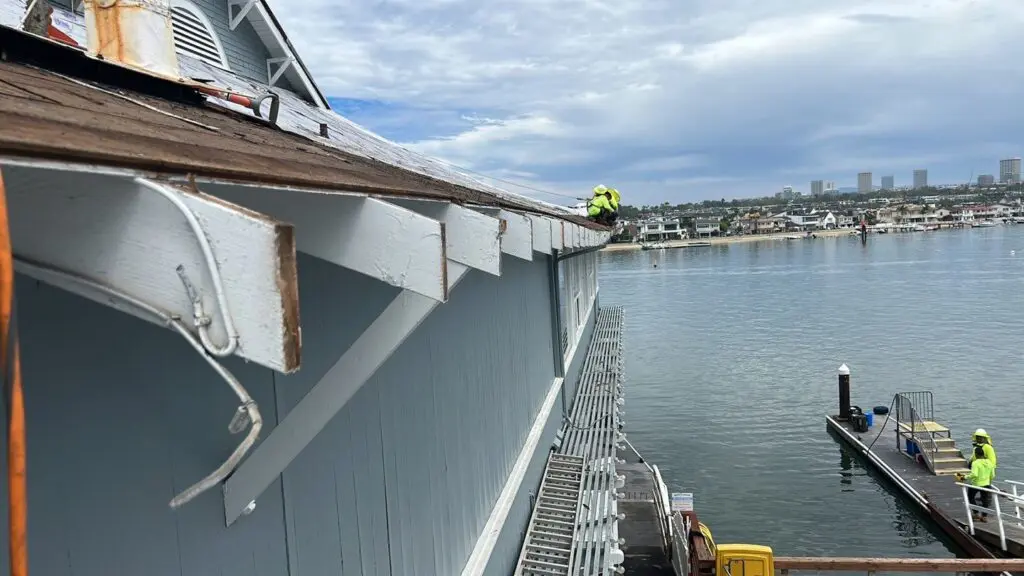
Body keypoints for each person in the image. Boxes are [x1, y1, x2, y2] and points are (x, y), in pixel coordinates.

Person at [958, 446, 995, 522]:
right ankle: (984, 516)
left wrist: (964, 477)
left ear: (976, 454)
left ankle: (976, 513)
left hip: (976, 484)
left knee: (970, 497)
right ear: (983, 454)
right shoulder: (989, 462)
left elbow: (974, 474)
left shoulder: (975, 463)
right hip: (986, 484)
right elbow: (993, 475)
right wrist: (987, 481)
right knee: (985, 501)